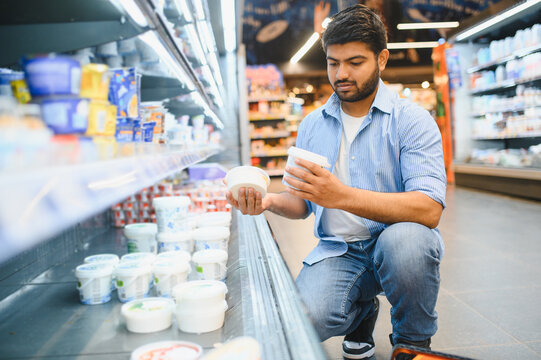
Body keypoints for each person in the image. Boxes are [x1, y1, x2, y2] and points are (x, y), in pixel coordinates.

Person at [227, 4, 446, 359]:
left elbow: (429, 208)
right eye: (333, 62)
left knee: (409, 242)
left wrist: (341, 195)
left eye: (355, 62)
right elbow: (301, 205)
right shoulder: (312, 125)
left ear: (382, 59)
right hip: (339, 251)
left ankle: (413, 343)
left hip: (394, 241)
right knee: (304, 319)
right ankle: (361, 314)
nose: (341, 73)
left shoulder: (412, 121)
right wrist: (267, 201)